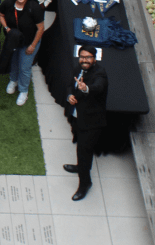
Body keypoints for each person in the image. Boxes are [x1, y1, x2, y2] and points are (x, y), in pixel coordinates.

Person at [64, 45, 108, 201]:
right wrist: (70, 95)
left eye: (88, 57)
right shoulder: (78, 68)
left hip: (91, 123)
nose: (84, 60)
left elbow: (98, 87)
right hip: (77, 116)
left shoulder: (100, 73)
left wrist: (86, 88)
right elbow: (70, 84)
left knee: (84, 153)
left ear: (94, 59)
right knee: (80, 148)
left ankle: (85, 184)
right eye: (82, 57)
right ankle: (80, 167)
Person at [0, 0, 45, 106]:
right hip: (14, 41)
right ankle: (13, 80)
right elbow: (0, 15)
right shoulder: (8, 3)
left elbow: (41, 28)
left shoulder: (34, 8)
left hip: (30, 42)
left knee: (24, 67)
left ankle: (24, 91)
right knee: (13, 62)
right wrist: (6, 28)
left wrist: (33, 46)